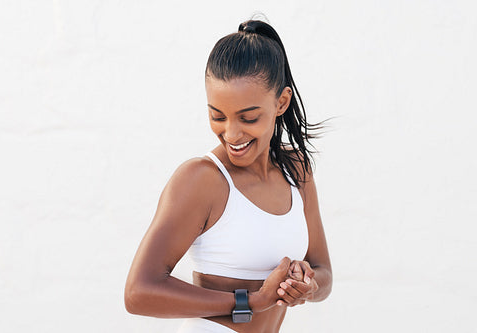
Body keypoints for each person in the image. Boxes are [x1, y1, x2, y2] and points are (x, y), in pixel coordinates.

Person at [124, 19, 332, 333]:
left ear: (281, 103)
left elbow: (323, 271)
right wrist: (250, 301)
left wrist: (307, 285)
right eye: (217, 116)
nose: (231, 134)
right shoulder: (202, 180)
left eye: (248, 118)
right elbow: (138, 293)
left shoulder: (296, 170)